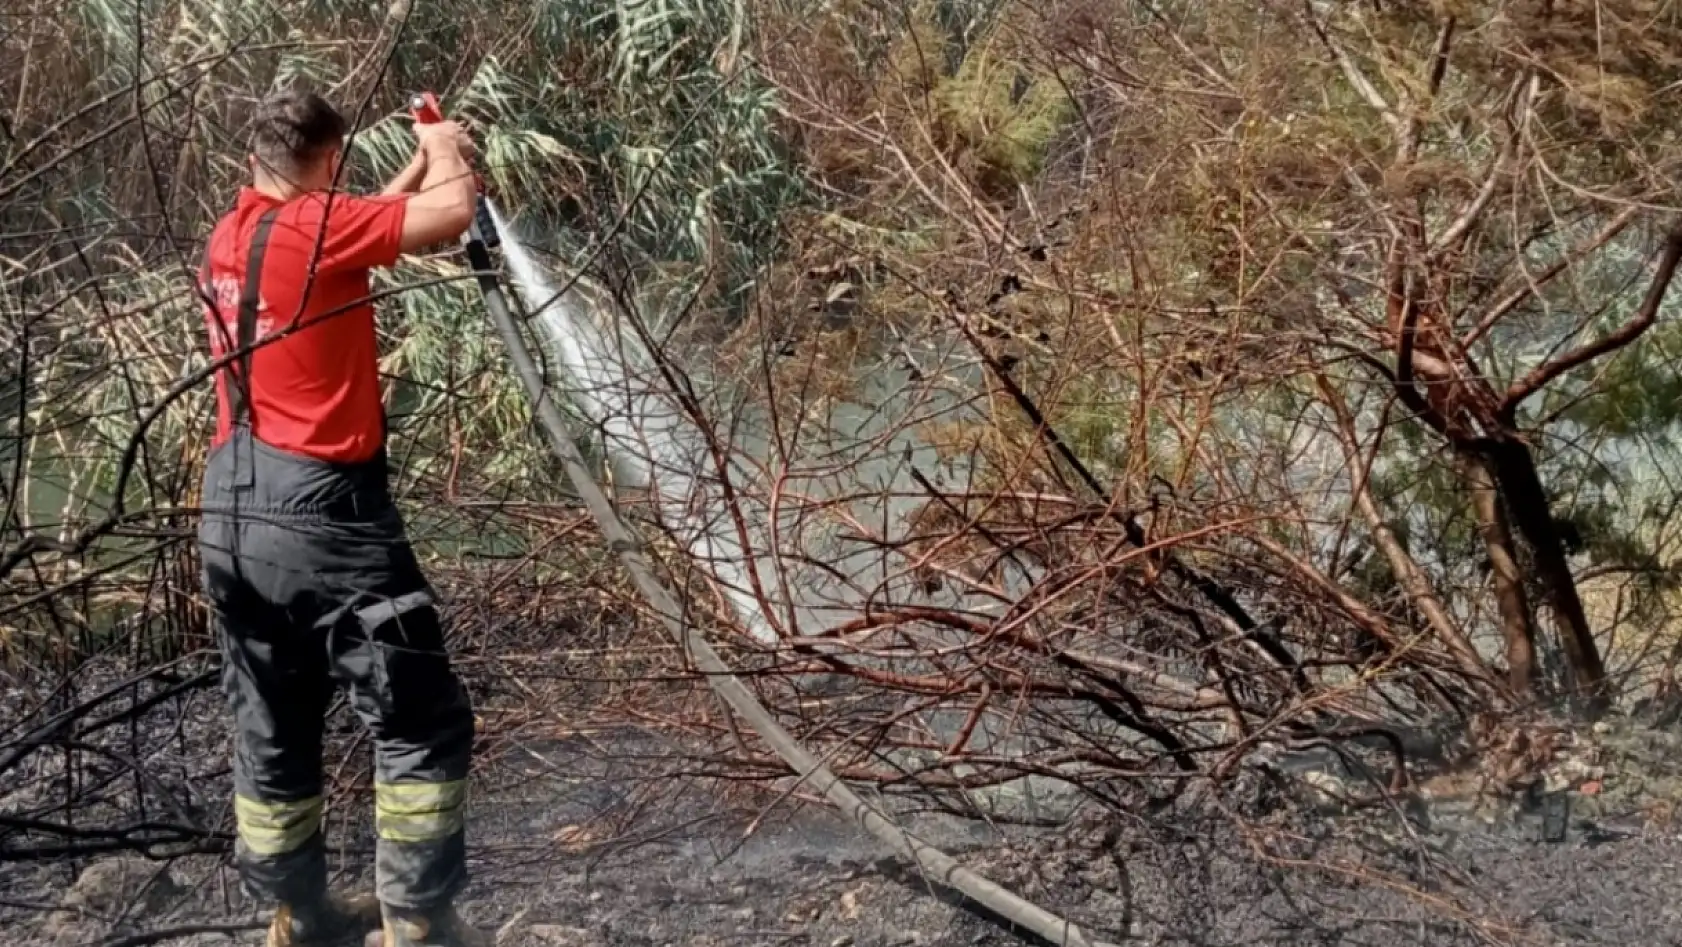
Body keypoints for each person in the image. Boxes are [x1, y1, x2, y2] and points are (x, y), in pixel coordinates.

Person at [195, 89, 487, 947]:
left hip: (231, 512)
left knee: (273, 715)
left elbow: (352, 225)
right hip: (325, 517)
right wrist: (441, 140)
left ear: (257, 162)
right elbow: (452, 209)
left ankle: (297, 915)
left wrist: (397, 180)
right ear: (330, 164)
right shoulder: (320, 228)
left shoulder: (232, 235)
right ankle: (418, 923)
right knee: (420, 716)